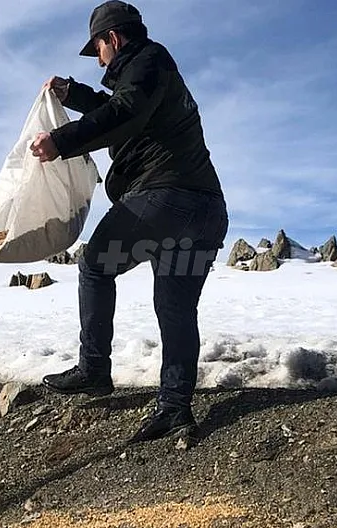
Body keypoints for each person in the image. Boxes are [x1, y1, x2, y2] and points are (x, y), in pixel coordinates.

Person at [30, 1, 228, 445]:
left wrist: (60, 141)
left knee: (95, 265)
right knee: (175, 308)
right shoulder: (154, 72)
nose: (98, 58)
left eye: (97, 49)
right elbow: (121, 109)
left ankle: (94, 369)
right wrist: (74, 93)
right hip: (204, 214)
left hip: (163, 201)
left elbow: (123, 114)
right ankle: (175, 408)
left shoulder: (148, 61)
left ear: (112, 39)